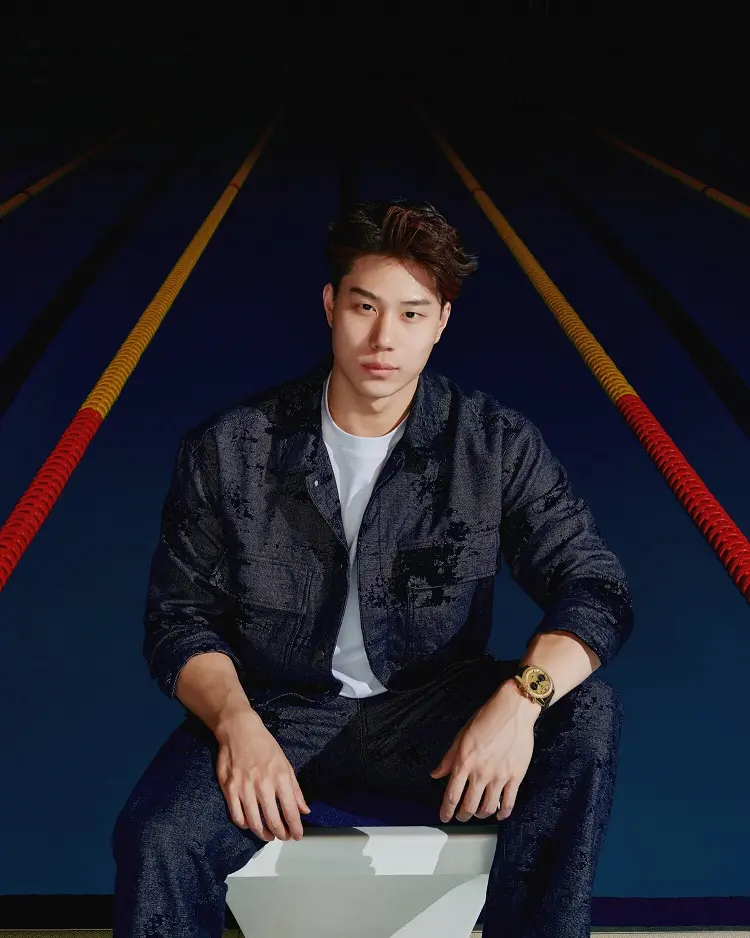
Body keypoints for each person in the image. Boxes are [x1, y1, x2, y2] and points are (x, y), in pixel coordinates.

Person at [111, 199, 634, 937]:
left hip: (428, 719)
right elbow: (178, 621)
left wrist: (522, 700)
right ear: (331, 306)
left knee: (585, 713)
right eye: (365, 307)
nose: (384, 338)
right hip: (274, 710)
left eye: (412, 314)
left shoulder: (492, 445)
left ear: (442, 321)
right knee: (156, 836)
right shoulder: (231, 447)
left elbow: (594, 584)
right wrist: (236, 724)